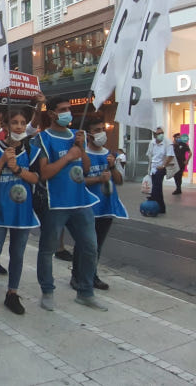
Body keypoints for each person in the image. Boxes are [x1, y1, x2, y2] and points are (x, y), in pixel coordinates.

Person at [33, 96, 106, 311]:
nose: (68, 113)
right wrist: (68, 157)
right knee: (48, 249)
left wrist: (81, 149)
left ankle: (85, 291)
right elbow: (44, 173)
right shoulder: (43, 139)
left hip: (81, 202)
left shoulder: (76, 135)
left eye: (69, 109)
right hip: (55, 203)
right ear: (52, 114)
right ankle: (47, 291)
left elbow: (85, 168)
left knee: (90, 247)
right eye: (63, 109)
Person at [0, 110, 40, 319]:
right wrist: (2, 161)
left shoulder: (32, 150)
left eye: (23, 123)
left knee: (18, 254)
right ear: (5, 126)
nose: (19, 126)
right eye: (14, 122)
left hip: (22, 211)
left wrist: (18, 170)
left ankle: (12, 293)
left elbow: (36, 179)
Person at [72, 118, 127, 291]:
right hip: (88, 207)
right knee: (84, 243)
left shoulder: (110, 154)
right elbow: (78, 180)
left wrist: (112, 167)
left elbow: (119, 181)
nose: (102, 132)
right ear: (88, 134)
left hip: (106, 206)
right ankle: (77, 276)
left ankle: (92, 275)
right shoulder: (82, 155)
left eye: (103, 129)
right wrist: (98, 179)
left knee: (97, 245)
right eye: (97, 130)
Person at [146, 126, 175, 213]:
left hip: (162, 167)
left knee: (156, 186)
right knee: (157, 187)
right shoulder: (152, 143)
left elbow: (170, 156)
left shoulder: (168, 142)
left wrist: (163, 165)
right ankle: (161, 207)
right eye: (158, 133)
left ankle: (153, 199)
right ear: (154, 135)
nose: (161, 135)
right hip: (153, 167)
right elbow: (149, 155)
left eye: (162, 133)